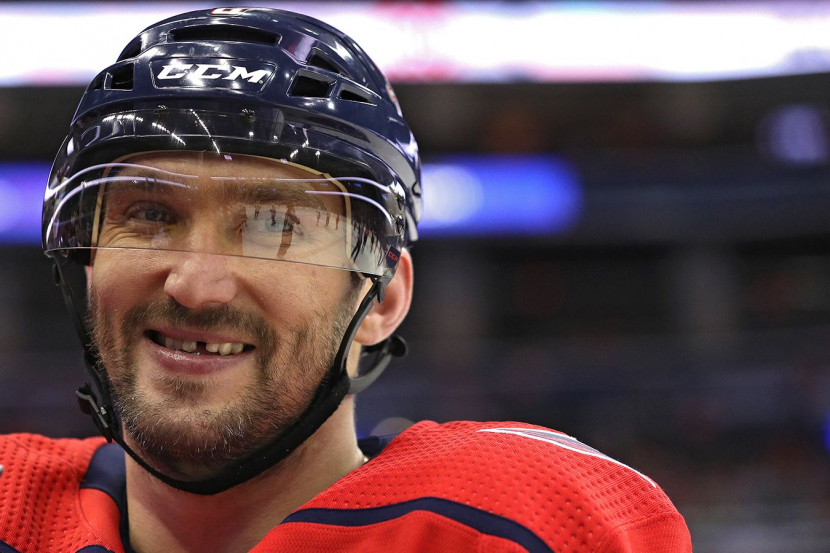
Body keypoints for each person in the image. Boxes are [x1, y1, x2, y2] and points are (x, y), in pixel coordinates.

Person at [0, 7, 692, 553]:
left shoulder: (517, 531)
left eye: (274, 225)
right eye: (151, 215)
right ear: (85, 266)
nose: (195, 284)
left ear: (382, 299)